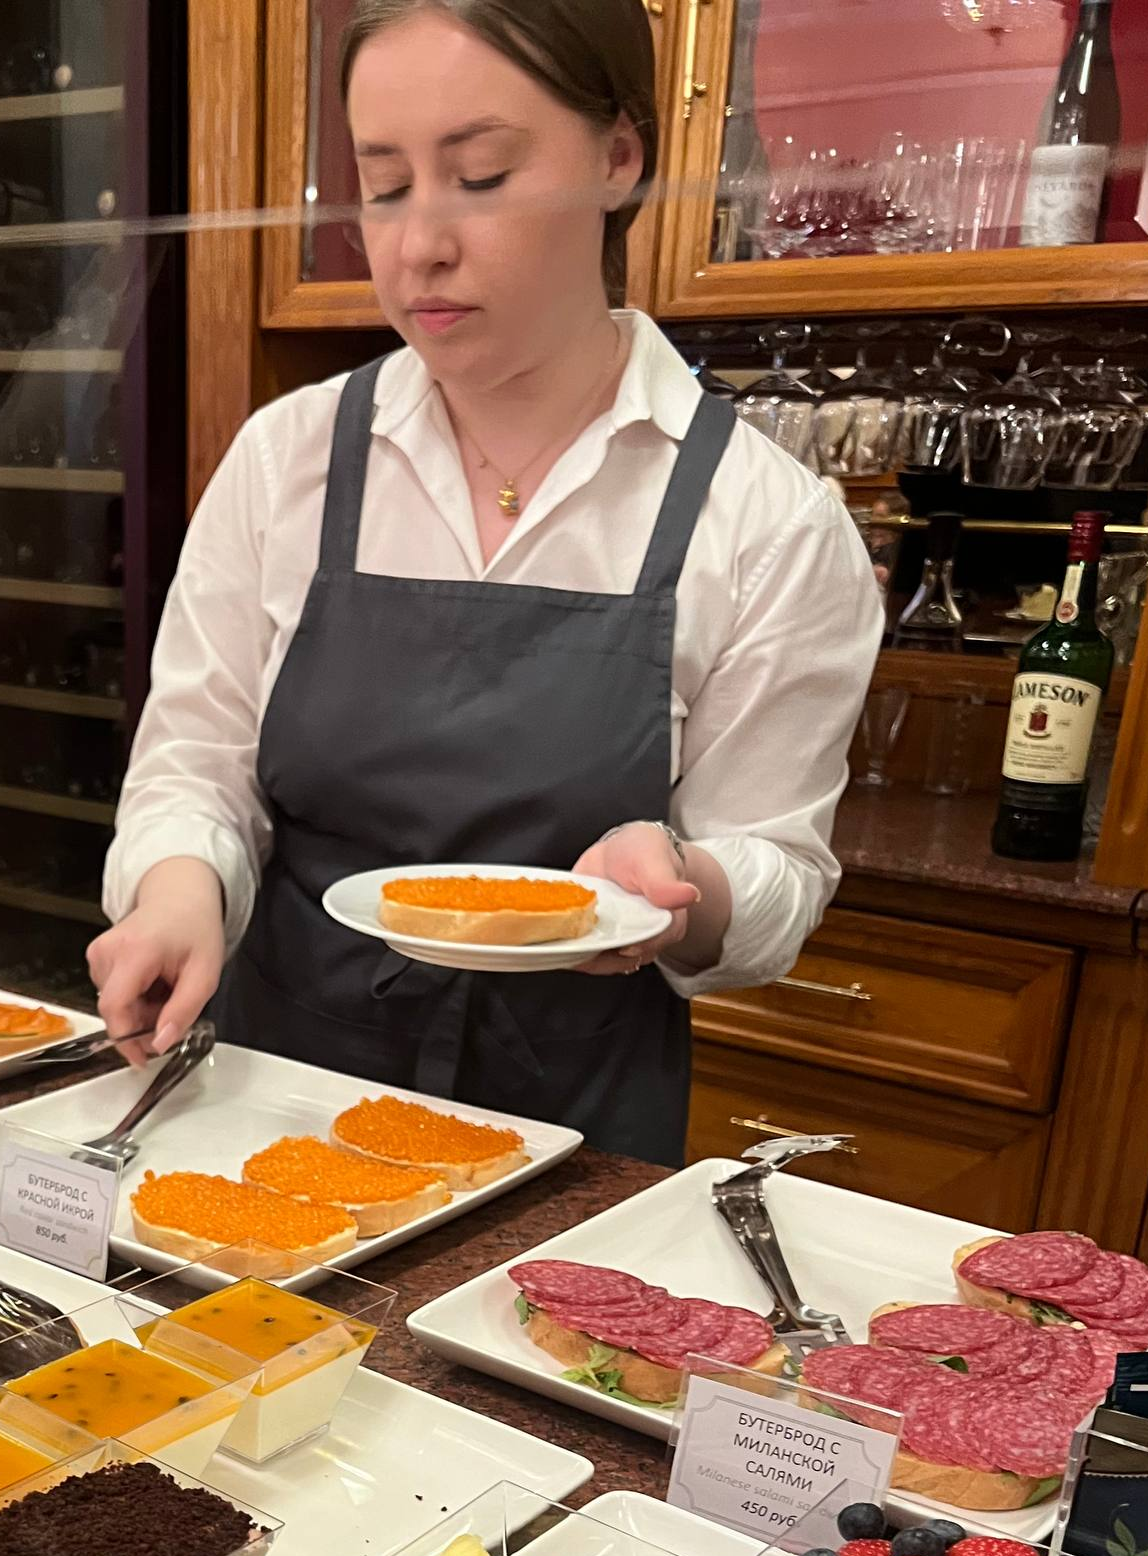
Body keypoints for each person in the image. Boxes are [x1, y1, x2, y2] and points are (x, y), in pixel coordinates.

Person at [89, 0, 881, 1162]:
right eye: (384, 186)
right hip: (278, 1111)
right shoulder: (286, 460)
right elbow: (196, 767)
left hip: (573, 1138)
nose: (418, 246)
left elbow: (779, 873)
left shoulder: (767, 521)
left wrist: (687, 885)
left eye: (482, 177)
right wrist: (175, 893)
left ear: (619, 157)